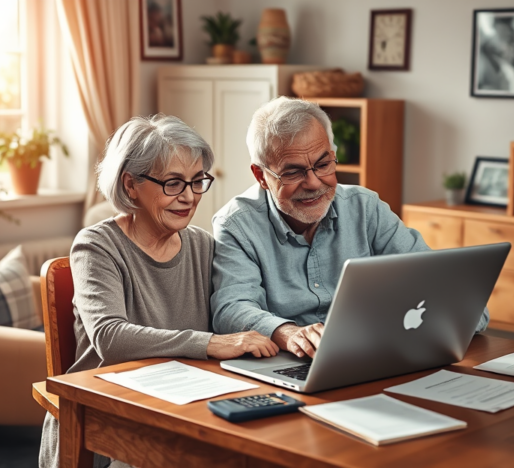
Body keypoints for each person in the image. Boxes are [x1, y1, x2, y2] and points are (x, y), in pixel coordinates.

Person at [39, 115, 278, 468]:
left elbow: (237, 311)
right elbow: (110, 338)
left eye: (198, 182)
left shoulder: (203, 245)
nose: (188, 197)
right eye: (173, 184)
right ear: (130, 184)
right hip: (101, 420)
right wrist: (211, 343)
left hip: (185, 407)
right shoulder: (96, 245)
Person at [211, 97, 490, 360]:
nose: (314, 183)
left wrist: (460, 312)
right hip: (290, 361)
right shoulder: (236, 224)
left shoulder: (365, 207)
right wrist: (288, 333)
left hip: (373, 354)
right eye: (293, 172)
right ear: (261, 175)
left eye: (323, 164)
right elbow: (230, 309)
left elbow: (436, 281)